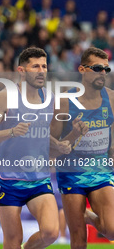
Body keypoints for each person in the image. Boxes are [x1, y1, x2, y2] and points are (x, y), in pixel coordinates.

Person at [0, 47, 71, 249]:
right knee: (12, 240)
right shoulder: (6, 97)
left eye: (44, 66)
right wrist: (11, 132)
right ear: (21, 70)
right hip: (8, 179)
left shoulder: (50, 98)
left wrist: (58, 144)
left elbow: (42, 134)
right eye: (35, 66)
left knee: (51, 233)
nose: (41, 71)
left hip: (39, 177)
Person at [50, 47, 114, 249]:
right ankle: (79, 215)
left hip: (101, 171)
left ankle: (84, 214)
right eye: (97, 68)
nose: (102, 73)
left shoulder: (112, 99)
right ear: (82, 70)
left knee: (111, 230)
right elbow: (50, 149)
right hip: (72, 173)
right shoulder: (64, 102)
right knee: (78, 239)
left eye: (106, 69)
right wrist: (73, 135)